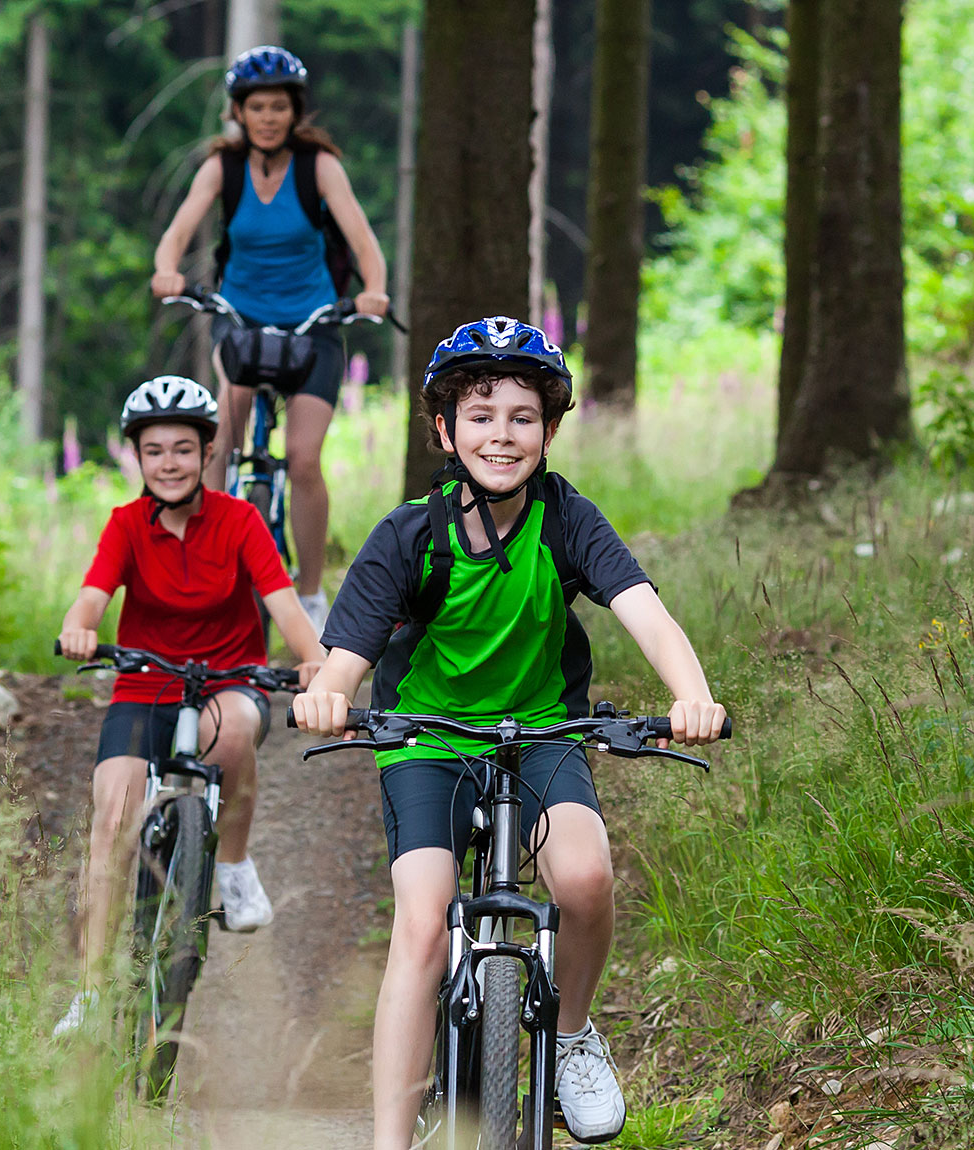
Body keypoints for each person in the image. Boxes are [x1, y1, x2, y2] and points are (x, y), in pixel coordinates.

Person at [290, 319, 727, 1146]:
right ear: (445, 430)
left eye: (522, 416)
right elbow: (345, 655)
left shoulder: (567, 520)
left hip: (542, 733)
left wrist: (692, 695)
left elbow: (648, 614)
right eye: (481, 414)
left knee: (586, 880)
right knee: (422, 923)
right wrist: (329, 695)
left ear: (550, 430)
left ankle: (568, 1041)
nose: (501, 434)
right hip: (429, 738)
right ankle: (388, 1139)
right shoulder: (409, 534)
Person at [52, 375, 326, 1037]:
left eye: (183, 448)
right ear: (136, 458)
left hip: (228, 682)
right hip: (144, 686)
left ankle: (230, 865)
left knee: (233, 732)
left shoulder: (240, 520)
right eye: (154, 451)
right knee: (109, 818)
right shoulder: (125, 526)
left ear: (209, 454)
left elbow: (284, 603)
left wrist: (316, 663)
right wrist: (79, 626)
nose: (168, 462)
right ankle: (89, 996)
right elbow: (92, 596)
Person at [151, 44, 392, 632]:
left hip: (314, 327)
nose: (267, 117)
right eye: (256, 106)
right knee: (218, 447)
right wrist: (166, 270)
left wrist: (375, 289)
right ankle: (201, 569)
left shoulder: (319, 167)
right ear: (239, 111)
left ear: (295, 110)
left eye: (278, 106)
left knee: (305, 460)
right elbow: (178, 231)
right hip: (242, 320)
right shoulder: (222, 168)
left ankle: (310, 596)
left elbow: (364, 243)